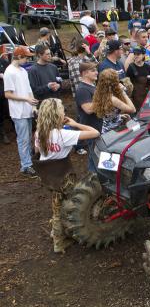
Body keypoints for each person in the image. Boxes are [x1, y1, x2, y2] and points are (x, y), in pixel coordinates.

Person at [34, 98, 99, 253]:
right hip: (63, 177)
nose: (64, 111)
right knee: (66, 206)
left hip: (47, 176)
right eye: (62, 109)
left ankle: (55, 232)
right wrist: (75, 124)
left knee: (56, 204)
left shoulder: (39, 132)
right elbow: (95, 132)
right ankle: (59, 242)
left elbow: (37, 152)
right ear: (56, 114)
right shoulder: (63, 134)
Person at [3, 46, 38, 177]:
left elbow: (28, 89)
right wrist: (25, 99)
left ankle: (29, 161)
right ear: (18, 57)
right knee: (23, 139)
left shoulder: (23, 71)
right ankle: (26, 166)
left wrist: (33, 104)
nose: (27, 59)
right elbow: (7, 94)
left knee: (28, 136)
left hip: (27, 109)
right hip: (18, 112)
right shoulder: (9, 72)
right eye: (26, 57)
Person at [75, 62, 102, 171]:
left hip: (98, 126)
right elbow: (88, 109)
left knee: (95, 156)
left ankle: (94, 179)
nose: (97, 72)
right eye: (93, 70)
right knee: (94, 156)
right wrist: (105, 100)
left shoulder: (91, 86)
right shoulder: (82, 89)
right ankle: (93, 179)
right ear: (85, 73)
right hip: (91, 127)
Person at [92, 69, 136, 134]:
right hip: (113, 131)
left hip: (105, 127)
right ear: (114, 82)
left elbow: (108, 114)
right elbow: (133, 109)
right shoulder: (112, 99)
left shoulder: (98, 93)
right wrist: (123, 92)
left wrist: (118, 116)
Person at [0, 51, 11, 144]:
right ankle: (3, 133)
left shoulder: (3, 61)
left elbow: (9, 71)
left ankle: (14, 127)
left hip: (5, 91)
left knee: (8, 109)